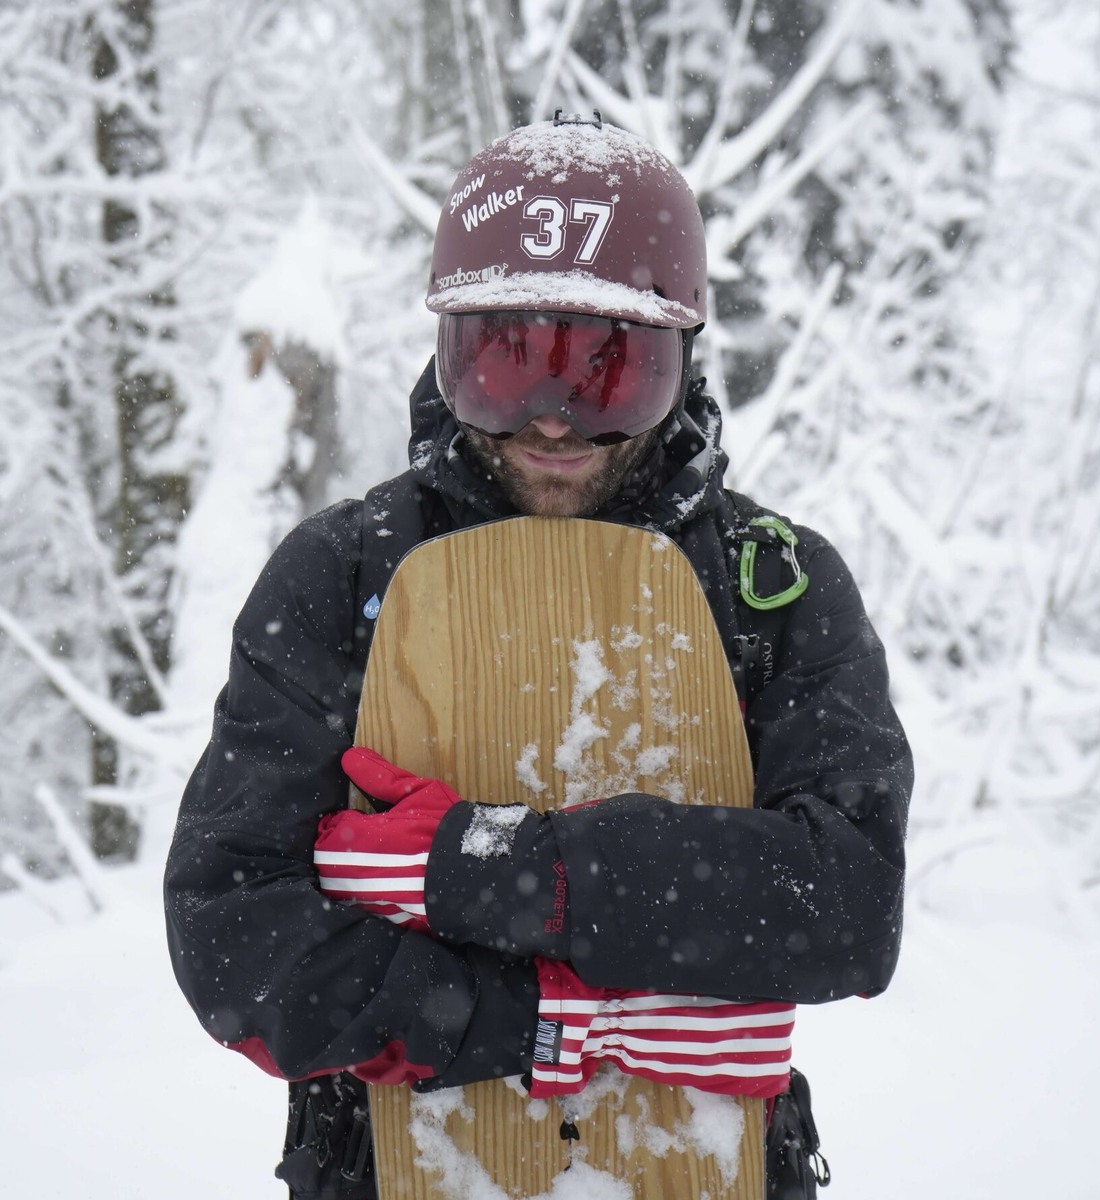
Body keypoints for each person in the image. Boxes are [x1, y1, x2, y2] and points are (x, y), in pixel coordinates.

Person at [165, 112, 912, 1200]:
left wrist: (509, 871)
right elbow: (232, 934)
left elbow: (849, 905)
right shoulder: (341, 575)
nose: (552, 422)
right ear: (446, 353)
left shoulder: (772, 586)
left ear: (679, 360)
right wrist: (531, 1021)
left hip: (706, 1165)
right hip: (391, 1166)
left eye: (603, 369)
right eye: (508, 364)